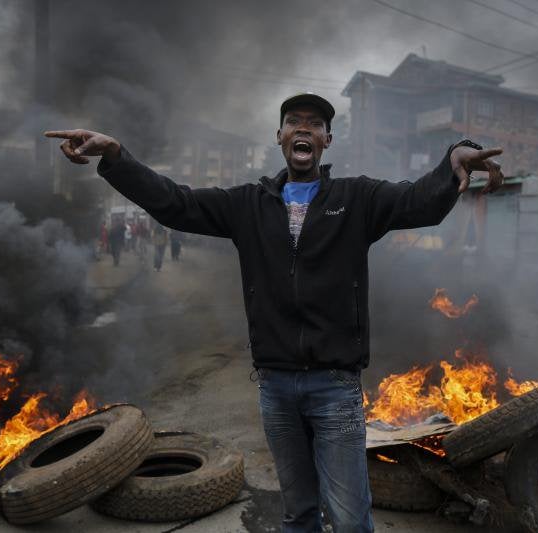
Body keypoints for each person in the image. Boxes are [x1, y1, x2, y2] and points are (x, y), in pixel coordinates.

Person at [45, 92, 504, 533]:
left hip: (335, 389)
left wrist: (456, 157)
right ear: (279, 136)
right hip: (275, 389)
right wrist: (117, 156)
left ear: (327, 141)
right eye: (293, 123)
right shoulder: (247, 204)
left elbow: (416, 201)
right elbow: (174, 202)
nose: (303, 129)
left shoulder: (357, 198)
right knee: (298, 514)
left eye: (315, 125)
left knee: (349, 520)